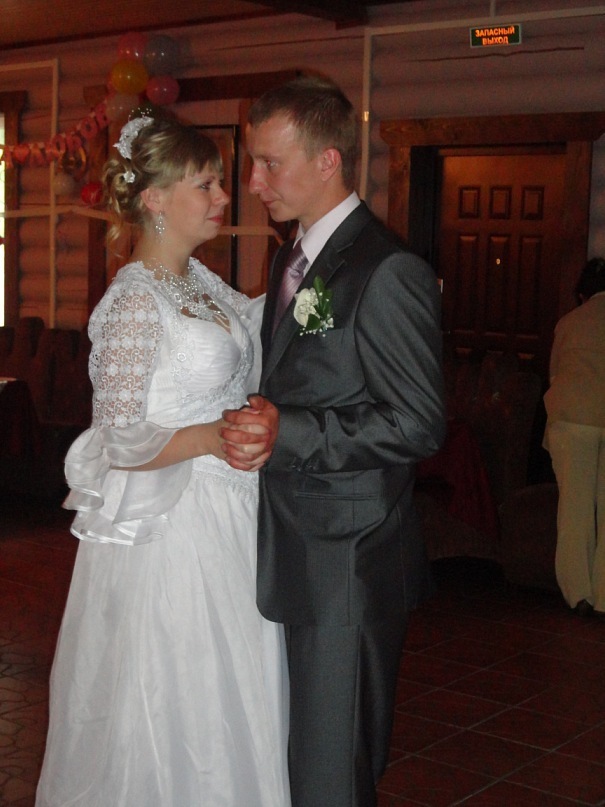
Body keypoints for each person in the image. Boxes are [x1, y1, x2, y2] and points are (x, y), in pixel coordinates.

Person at [36, 115, 291, 807]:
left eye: (218, 182)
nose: (222, 196)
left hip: (231, 509)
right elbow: (118, 438)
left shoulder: (201, 282)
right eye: (205, 183)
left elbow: (256, 332)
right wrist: (211, 437)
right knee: (178, 685)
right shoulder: (132, 301)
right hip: (173, 526)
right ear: (153, 197)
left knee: (235, 681)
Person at [222, 76, 446, 807]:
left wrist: (289, 432)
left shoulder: (387, 269)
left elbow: (418, 421)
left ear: (327, 161)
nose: (253, 182)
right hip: (298, 546)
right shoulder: (294, 258)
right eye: (252, 163)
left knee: (330, 772)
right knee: (308, 760)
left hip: (349, 560)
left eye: (269, 163)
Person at [543, 256, 605, 618]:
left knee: (575, 508)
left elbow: (555, 376)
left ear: (583, 293)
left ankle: (578, 593)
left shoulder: (568, 323)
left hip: (572, 419)